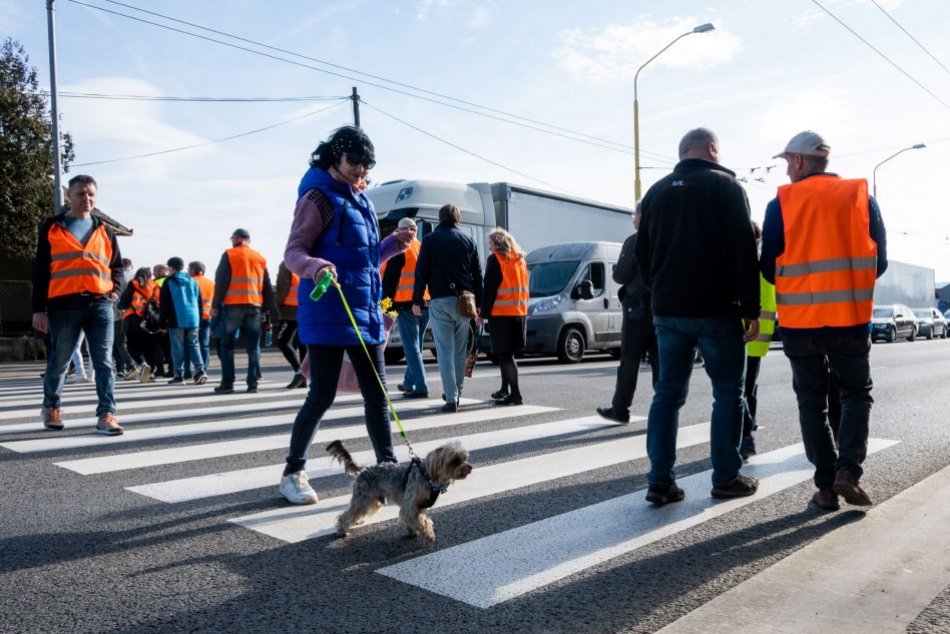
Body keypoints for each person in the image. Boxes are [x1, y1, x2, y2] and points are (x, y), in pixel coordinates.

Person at [280, 125, 412, 504]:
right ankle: (292, 472)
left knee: (378, 395)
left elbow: (366, 261)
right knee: (321, 395)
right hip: (327, 312)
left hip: (365, 314)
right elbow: (294, 252)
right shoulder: (317, 198)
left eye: (366, 164)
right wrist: (316, 265)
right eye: (354, 161)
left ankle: (389, 471)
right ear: (333, 157)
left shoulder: (361, 200)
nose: (361, 170)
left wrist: (391, 245)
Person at [761, 130, 887, 511]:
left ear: (799, 161)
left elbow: (768, 268)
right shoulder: (861, 197)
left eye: (786, 163)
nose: (785, 172)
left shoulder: (781, 203)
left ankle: (825, 487)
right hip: (849, 316)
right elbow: (879, 262)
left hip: (801, 321)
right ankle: (848, 471)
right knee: (855, 394)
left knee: (811, 402)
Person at [635, 128, 761, 505]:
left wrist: (660, 289)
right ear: (711, 149)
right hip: (717, 311)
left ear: (682, 152)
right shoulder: (727, 188)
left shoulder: (655, 192)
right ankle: (725, 476)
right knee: (727, 394)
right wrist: (751, 310)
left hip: (669, 312)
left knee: (666, 396)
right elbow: (743, 251)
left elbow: (642, 253)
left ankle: (659, 482)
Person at [32, 174, 124, 435]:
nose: (87, 198)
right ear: (69, 196)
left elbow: (116, 266)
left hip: (100, 304)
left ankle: (106, 415)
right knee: (60, 360)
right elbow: (40, 269)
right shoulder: (52, 227)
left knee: (104, 361)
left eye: (91, 194)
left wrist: (115, 292)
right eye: (81, 193)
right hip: (63, 304)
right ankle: (51, 407)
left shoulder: (105, 230)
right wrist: (38, 308)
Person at [413, 203, 483, 413]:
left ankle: (451, 397)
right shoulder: (468, 241)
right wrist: (479, 304)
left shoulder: (430, 240)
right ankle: (457, 391)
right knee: (460, 350)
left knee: (444, 350)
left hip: (440, 301)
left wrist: (417, 300)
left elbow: (421, 272)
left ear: (440, 219)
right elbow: (478, 275)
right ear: (457, 219)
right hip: (465, 303)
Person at [597, 205, 658, 424]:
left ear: (641, 216)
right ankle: (664, 411)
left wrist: (617, 270)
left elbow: (621, 275)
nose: (633, 219)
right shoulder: (664, 237)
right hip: (661, 308)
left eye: (635, 215)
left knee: (629, 361)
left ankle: (620, 409)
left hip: (637, 310)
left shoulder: (635, 240)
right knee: (660, 361)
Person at [211, 228, 278, 394]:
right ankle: (253, 383)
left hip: (233, 305)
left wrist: (215, 305)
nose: (231, 241)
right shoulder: (260, 258)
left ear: (237, 238)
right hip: (254, 306)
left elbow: (221, 281)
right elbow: (267, 287)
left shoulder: (230, 254)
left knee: (227, 346)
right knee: (253, 347)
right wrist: (267, 310)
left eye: (232, 238)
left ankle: (228, 383)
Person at [476, 228, 528, 405]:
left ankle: (516, 394)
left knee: (505, 356)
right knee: (505, 354)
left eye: (490, 243)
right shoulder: (519, 259)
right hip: (518, 313)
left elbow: (489, 290)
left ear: (497, 243)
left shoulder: (495, 260)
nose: (489, 247)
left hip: (501, 314)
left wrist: (481, 315)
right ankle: (505, 389)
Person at [381, 217, 431, 398]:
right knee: (416, 345)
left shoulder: (400, 249)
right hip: (425, 303)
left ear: (400, 231)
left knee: (411, 348)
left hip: (405, 304)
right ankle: (409, 382)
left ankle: (421, 386)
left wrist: (385, 304)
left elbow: (390, 281)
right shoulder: (422, 247)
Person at [739, 221, 777, 459]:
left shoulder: (744, 262)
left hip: (744, 330)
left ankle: (746, 432)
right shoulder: (765, 264)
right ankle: (748, 429)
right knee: (750, 385)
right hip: (762, 332)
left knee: (738, 386)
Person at [158, 257, 208, 385]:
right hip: (194, 318)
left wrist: (162, 323)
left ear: (171, 267)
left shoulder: (169, 281)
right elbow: (199, 301)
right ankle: (200, 371)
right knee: (194, 345)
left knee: (177, 348)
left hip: (177, 318)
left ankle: (178, 376)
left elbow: (164, 304)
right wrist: (200, 319)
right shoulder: (192, 280)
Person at [118, 266, 160, 382]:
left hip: (133, 319)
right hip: (151, 321)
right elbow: (159, 303)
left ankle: (142, 364)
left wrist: (120, 306)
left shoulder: (133, 284)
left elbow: (124, 303)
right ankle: (151, 373)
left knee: (132, 347)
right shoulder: (155, 285)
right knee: (150, 347)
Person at [275, 261, 307, 389]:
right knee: (303, 344)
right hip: (306, 308)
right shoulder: (310, 263)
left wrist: (278, 303)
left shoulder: (287, 263)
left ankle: (299, 372)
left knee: (283, 341)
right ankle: (303, 377)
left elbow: (282, 286)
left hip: (290, 310)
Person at [186, 261, 214, 376]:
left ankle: (188, 370)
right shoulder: (210, 283)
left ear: (193, 270)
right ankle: (204, 368)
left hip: (193, 317)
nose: (187, 271)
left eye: (189, 269)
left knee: (190, 343)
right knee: (204, 344)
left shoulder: (190, 282)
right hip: (207, 316)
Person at [112, 257, 138, 379]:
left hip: (118, 313)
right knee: (133, 341)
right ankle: (140, 363)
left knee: (120, 342)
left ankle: (130, 365)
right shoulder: (136, 276)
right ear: (131, 265)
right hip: (136, 313)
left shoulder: (116, 276)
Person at [151, 263, 171, 377]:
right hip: (171, 317)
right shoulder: (172, 281)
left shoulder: (156, 283)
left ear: (162, 271)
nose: (153, 273)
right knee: (169, 345)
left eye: (155, 270)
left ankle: (160, 369)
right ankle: (172, 369)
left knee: (157, 345)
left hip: (158, 317)